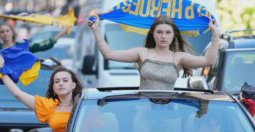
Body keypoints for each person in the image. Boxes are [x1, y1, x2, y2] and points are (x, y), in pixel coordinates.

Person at [88, 14, 221, 90]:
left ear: (173, 35)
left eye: (168, 32)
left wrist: (215, 34)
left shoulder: (178, 58)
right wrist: (96, 30)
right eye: (159, 32)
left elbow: (208, 60)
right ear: (153, 34)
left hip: (170, 112)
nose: (163, 36)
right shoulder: (142, 53)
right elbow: (109, 54)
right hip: (143, 111)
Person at [0, 55, 83, 132]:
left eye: (65, 80)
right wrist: (2, 71)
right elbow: (18, 94)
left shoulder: (84, 105)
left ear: (73, 85)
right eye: (57, 81)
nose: (61, 83)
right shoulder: (49, 105)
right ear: (53, 87)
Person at [0, 15, 69, 56]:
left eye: (7, 31)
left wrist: (62, 33)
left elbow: (45, 44)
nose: (5, 34)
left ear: (12, 32)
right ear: (0, 35)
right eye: (2, 32)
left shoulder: (23, 46)